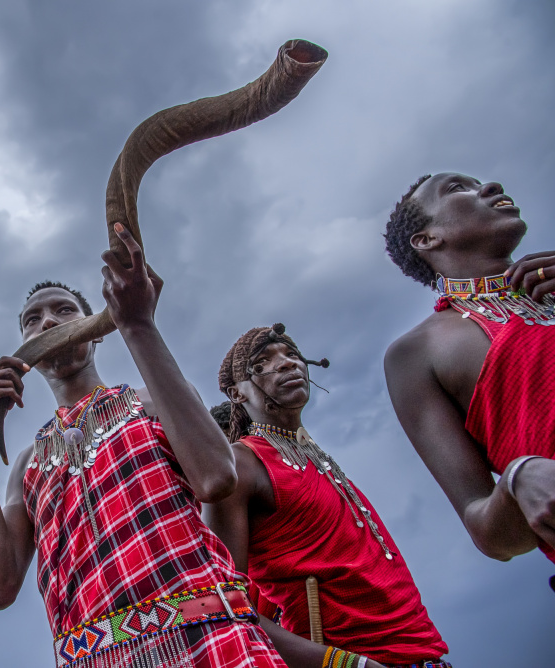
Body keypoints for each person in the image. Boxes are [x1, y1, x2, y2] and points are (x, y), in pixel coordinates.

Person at [0, 223, 301, 668]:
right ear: (26, 348)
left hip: (213, 644)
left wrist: (138, 323)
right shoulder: (28, 463)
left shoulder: (151, 401)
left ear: (97, 329)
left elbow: (217, 477)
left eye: (64, 311)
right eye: (33, 320)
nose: (47, 322)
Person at [206, 323, 449, 667]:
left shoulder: (315, 457)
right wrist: (345, 665)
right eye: (262, 362)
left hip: (427, 654)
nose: (288, 363)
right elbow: (224, 602)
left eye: (292, 355)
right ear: (237, 394)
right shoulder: (240, 465)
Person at [383, 173, 555, 573]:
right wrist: (518, 477)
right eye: (458, 188)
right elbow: (491, 536)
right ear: (427, 239)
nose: (492, 186)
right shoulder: (417, 354)